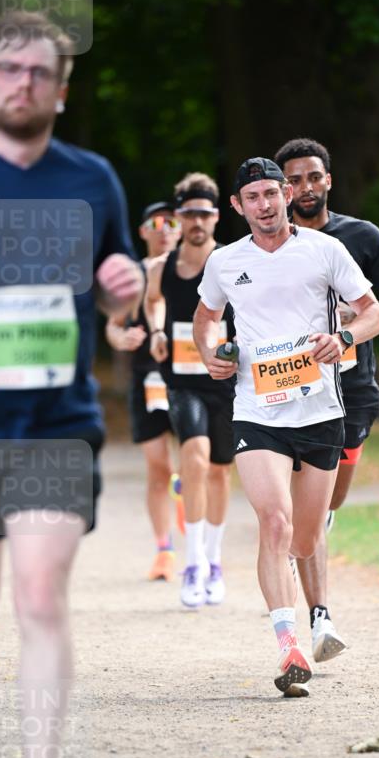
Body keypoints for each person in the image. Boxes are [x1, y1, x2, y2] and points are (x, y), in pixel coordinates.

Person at [0, 12, 143, 758]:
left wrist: (125, 289)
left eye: (41, 74)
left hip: (58, 422)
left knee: (38, 594)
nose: (25, 82)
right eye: (11, 69)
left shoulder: (90, 178)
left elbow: (117, 294)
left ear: (60, 92)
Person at [193, 158, 379, 697]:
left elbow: (374, 312)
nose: (265, 204)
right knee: (273, 523)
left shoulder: (326, 250)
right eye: (252, 197)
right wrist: (211, 352)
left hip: (321, 411)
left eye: (272, 194)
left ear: (286, 195)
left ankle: (317, 608)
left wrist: (345, 339)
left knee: (304, 536)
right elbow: (206, 318)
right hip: (258, 410)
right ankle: (288, 646)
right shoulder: (226, 262)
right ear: (238, 206)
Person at [274, 137, 379, 662]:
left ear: (328, 180)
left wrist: (354, 319)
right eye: (294, 180)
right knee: (292, 507)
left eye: (313, 177)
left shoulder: (361, 236)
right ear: (282, 188)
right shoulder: (269, 247)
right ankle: (310, 605)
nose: (305, 188)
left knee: (330, 503)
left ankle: (308, 538)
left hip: (352, 388)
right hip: (287, 386)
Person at [145, 173, 234, 608]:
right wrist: (157, 330)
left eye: (204, 213)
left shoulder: (233, 261)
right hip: (181, 379)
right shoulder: (163, 267)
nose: (196, 220)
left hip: (225, 380)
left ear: (216, 216)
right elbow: (153, 300)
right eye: (188, 214)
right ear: (178, 218)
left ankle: (214, 561)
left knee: (219, 470)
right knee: (193, 458)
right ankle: (193, 562)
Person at [105, 201, 183, 581]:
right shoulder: (133, 278)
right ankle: (163, 550)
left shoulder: (197, 270)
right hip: (147, 381)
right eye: (157, 222)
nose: (165, 228)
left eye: (172, 221)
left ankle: (195, 524)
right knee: (159, 468)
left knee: (196, 462)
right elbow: (113, 326)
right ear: (143, 231)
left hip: (190, 380)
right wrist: (123, 338)